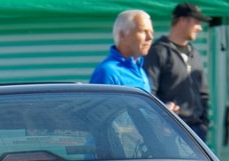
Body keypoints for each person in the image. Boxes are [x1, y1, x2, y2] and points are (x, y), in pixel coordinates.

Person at [144, 3, 211, 140]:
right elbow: (149, 93)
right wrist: (163, 117)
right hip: (170, 131)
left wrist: (204, 124)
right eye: (196, 22)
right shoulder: (158, 51)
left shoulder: (195, 53)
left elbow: (203, 93)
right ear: (182, 20)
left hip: (197, 131)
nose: (199, 28)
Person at [90, 10, 155, 92]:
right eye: (143, 31)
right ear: (123, 35)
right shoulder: (108, 72)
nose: (150, 37)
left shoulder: (140, 70)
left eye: (151, 32)